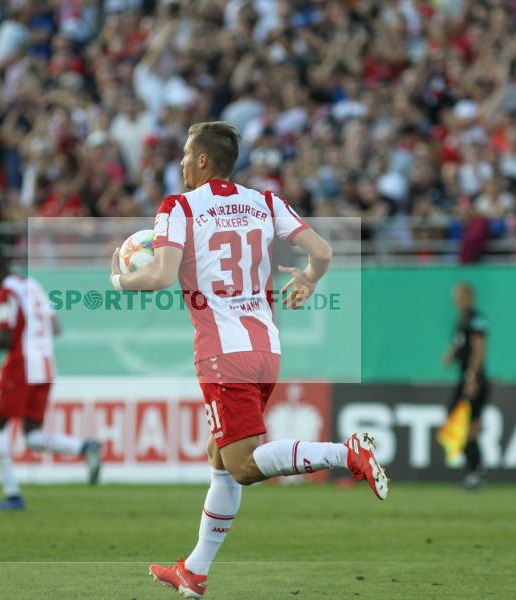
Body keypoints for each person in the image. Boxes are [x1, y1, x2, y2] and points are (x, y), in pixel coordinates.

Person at [107, 121, 388, 599]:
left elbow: (159, 277)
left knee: (240, 464)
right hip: (265, 349)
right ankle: (194, 571)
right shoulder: (265, 202)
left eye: (183, 156)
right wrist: (310, 280)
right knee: (220, 457)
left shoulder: (179, 207)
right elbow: (322, 251)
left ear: (201, 161)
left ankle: (347, 454)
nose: (178, 165)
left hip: (221, 352)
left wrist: (118, 279)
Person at [0, 246, 103, 512]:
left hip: (21, 366)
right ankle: (84, 447)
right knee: (32, 435)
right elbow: (56, 327)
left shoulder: (5, 294)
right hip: (45, 366)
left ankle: (12, 496)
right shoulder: (33, 286)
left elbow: (5, 338)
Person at [442, 283, 489, 490]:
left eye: (460, 296)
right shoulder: (461, 321)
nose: (456, 300)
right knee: (458, 423)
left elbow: (479, 349)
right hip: (464, 378)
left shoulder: (476, 319)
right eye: (455, 296)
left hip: (473, 379)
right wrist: (451, 354)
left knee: (467, 426)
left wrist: (471, 376)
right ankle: (474, 470)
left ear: (470, 297)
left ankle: (476, 471)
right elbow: (460, 344)